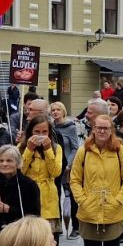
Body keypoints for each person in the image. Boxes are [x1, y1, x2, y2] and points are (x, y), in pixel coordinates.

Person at [71, 114, 123, 246]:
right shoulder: (84, 151)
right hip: (89, 211)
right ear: (93, 129)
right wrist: (82, 200)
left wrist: (118, 200)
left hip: (112, 210)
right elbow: (74, 179)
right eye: (99, 128)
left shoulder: (119, 150)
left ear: (111, 130)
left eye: (106, 128)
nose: (102, 131)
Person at [21, 116, 64, 243]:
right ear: (30, 132)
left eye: (44, 132)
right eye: (37, 132)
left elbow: (56, 172)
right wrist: (29, 150)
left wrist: (48, 150)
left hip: (49, 199)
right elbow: (20, 171)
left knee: (50, 241)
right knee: (30, 241)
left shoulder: (56, 148)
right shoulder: (21, 147)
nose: (41, 135)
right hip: (28, 196)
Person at [50, 102, 82, 238]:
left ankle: (76, 226)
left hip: (68, 167)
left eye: (58, 110)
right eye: (53, 110)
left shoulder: (70, 127)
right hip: (55, 167)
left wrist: (68, 165)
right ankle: (58, 226)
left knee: (72, 197)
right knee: (55, 196)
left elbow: (75, 147)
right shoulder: (50, 127)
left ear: (63, 111)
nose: (55, 112)